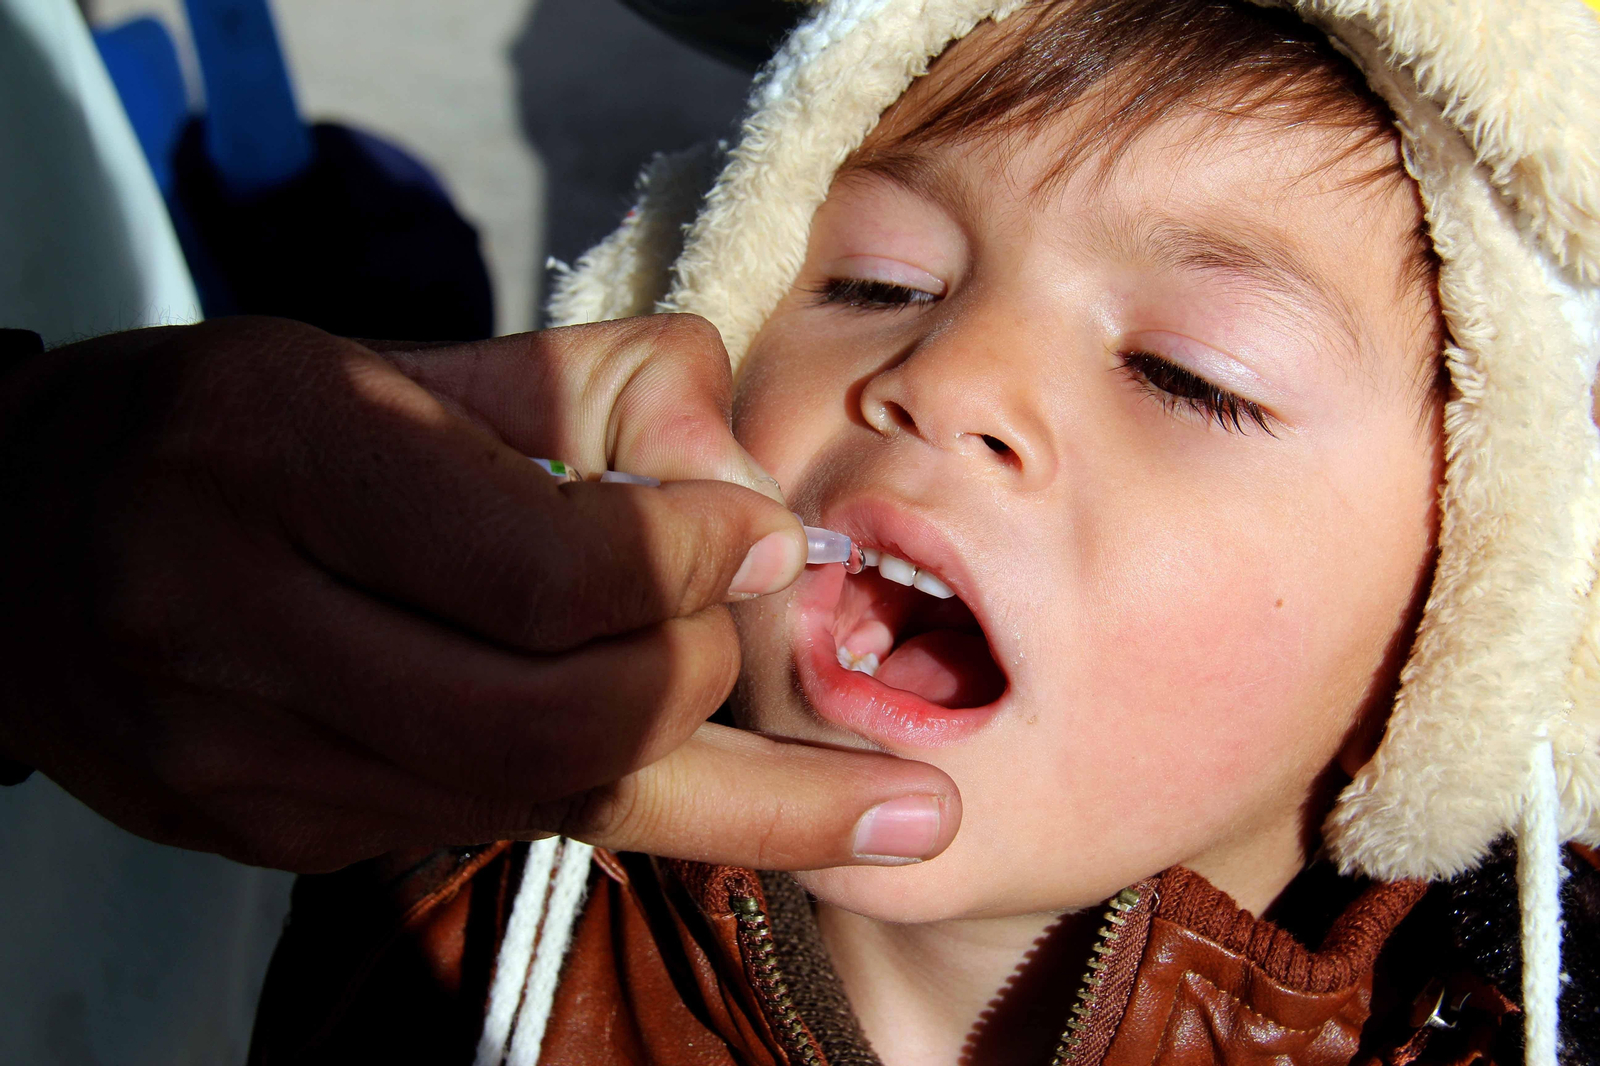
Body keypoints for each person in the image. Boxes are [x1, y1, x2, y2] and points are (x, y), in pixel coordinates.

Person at [251, 0, 1600, 1064]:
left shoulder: (1519, 1016)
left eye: (1190, 372)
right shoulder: (440, 884)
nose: (946, 377)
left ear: (1472, 616)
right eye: (875, 279)